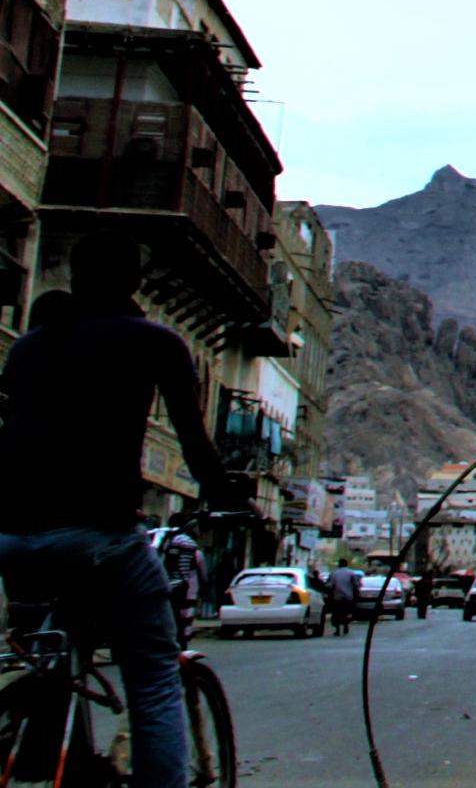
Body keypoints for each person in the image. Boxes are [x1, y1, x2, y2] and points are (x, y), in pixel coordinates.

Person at [0, 237, 246, 788]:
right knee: (155, 673)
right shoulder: (155, 342)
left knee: (56, 653)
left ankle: (41, 753)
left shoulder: (27, 348)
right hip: (101, 533)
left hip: (13, 538)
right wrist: (228, 495)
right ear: (135, 282)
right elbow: (194, 440)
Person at [157, 524, 206, 647]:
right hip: (187, 586)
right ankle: (183, 640)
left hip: (174, 584)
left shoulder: (171, 542)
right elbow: (201, 571)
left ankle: (178, 640)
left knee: (174, 615)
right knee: (184, 616)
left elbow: (167, 564)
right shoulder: (193, 548)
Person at [328, 562, 361, 634]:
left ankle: (337, 629)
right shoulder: (351, 573)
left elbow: (331, 585)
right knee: (347, 612)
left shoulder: (335, 573)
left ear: (339, 565)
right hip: (348, 596)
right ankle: (346, 625)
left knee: (337, 613)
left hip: (337, 596)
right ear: (347, 564)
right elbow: (355, 584)